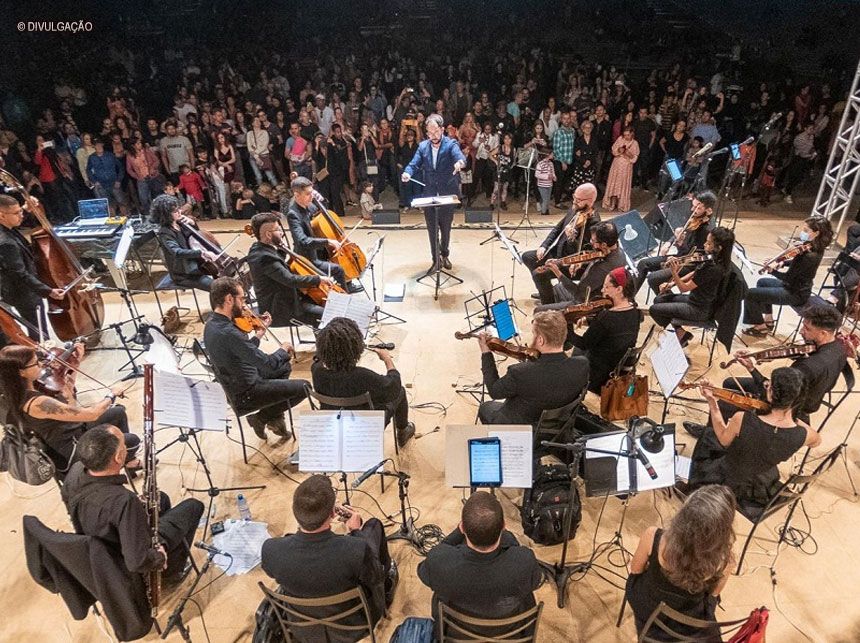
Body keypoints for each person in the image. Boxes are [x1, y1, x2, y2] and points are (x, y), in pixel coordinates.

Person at [60, 425, 204, 585]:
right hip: (126, 561)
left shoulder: (76, 470)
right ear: (119, 457)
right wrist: (159, 556)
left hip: (102, 544)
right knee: (193, 506)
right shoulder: (124, 501)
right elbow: (137, 561)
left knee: (161, 499)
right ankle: (170, 573)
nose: (127, 447)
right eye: (124, 445)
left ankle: (173, 554)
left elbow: (88, 504)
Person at [685, 304, 847, 441]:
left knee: (724, 402)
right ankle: (721, 430)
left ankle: (715, 438)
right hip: (810, 395)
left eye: (807, 328)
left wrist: (752, 368)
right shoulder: (839, 347)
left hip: (790, 407)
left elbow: (773, 393)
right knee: (730, 383)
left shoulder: (807, 368)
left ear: (823, 333)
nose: (801, 332)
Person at [261, 475, 394, 636]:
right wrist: (355, 532)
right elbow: (375, 576)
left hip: (302, 627)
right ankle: (389, 588)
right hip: (354, 626)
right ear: (332, 513)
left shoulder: (271, 550)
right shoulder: (356, 549)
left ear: (296, 512)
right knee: (374, 525)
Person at [0, 344, 139, 475]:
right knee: (131, 440)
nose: (41, 365)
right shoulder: (37, 403)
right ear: (21, 372)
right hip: (70, 448)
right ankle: (113, 469)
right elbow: (92, 415)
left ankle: (128, 463)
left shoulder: (25, 388)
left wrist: (75, 366)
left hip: (74, 429)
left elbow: (71, 405)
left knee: (117, 413)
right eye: (36, 363)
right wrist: (111, 395)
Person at [688, 368, 821, 503]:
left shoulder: (742, 418)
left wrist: (712, 401)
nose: (767, 385)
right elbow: (817, 441)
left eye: (769, 385)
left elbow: (724, 440)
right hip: (760, 486)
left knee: (708, 435)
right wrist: (791, 417)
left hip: (728, 480)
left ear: (772, 394)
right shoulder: (803, 435)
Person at [417, 491, 542, 627]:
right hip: (512, 634)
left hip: (457, 633)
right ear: (503, 527)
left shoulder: (439, 560)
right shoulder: (525, 560)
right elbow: (535, 582)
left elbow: (424, 572)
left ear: (463, 528)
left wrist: (456, 534)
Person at [203, 276, 306, 439]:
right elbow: (268, 364)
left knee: (284, 366)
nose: (244, 305)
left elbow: (242, 351)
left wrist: (258, 335)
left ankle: (274, 418)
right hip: (247, 393)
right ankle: (261, 417)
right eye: (242, 299)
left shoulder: (211, 324)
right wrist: (283, 349)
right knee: (304, 387)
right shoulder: (230, 332)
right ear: (229, 299)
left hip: (236, 382)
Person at [626, 485, 734, 638]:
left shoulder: (653, 536)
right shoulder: (725, 560)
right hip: (689, 623)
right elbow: (713, 595)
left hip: (649, 608)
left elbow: (635, 569)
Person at [311, 316, 415, 447]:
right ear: (356, 347)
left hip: (334, 422)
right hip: (365, 427)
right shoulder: (363, 376)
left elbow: (318, 357)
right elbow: (393, 386)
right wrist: (387, 359)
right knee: (400, 391)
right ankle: (403, 431)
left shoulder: (316, 370)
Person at [473, 310, 589, 425]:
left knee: (485, 407)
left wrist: (486, 353)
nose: (532, 337)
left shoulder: (519, 372)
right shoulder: (582, 364)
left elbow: (494, 391)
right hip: (557, 425)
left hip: (524, 428)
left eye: (533, 333)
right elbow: (551, 374)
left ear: (540, 340)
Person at [743, 216, 832, 336]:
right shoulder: (813, 247)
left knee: (750, 294)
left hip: (795, 293)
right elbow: (797, 263)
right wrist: (783, 262)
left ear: (816, 233)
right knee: (762, 282)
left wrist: (772, 270)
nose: (803, 233)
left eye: (806, 231)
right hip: (793, 286)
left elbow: (787, 277)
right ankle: (768, 319)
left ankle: (760, 327)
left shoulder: (810, 255)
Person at [401, 113, 467, 273]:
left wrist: (459, 163)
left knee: (445, 228)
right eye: (430, 133)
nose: (433, 136)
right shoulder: (423, 146)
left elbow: (461, 158)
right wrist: (407, 172)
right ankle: (435, 260)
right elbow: (414, 164)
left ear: (442, 129)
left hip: (447, 194)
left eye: (436, 132)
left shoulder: (451, 144)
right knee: (432, 229)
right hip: (430, 194)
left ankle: (444, 254)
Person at [649, 227, 735, 347]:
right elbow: (695, 273)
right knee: (659, 299)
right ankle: (681, 333)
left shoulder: (714, 269)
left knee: (654, 310)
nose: (704, 244)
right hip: (694, 300)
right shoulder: (713, 258)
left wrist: (674, 272)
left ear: (719, 248)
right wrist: (671, 284)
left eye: (709, 243)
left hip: (698, 309)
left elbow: (684, 288)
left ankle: (679, 333)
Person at [246, 212, 335, 327]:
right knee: (326, 315)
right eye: (278, 230)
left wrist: (282, 248)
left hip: (288, 298)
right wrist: (318, 279)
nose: (282, 233)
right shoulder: (264, 257)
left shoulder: (261, 248)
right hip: (280, 309)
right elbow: (290, 280)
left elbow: (279, 266)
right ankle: (326, 343)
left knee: (325, 305)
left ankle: (321, 338)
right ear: (268, 234)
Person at [522, 183, 600, 305]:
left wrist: (572, 238)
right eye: (574, 197)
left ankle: (549, 304)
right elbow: (558, 228)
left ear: (590, 201)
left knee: (539, 274)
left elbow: (583, 253)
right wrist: (544, 246)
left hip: (570, 263)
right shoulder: (575, 208)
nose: (574, 201)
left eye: (578, 200)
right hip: (558, 252)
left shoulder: (594, 223)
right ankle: (546, 290)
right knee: (528, 257)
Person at [0, 194, 64, 340]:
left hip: (19, 290)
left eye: (20, 211)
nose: (21, 216)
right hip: (23, 294)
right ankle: (44, 357)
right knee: (38, 330)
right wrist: (48, 291)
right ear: (2, 216)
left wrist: (25, 208)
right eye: (17, 213)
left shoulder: (6, 226)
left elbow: (16, 218)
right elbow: (20, 274)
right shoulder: (6, 243)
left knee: (37, 326)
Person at [568, 267, 642, 393]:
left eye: (607, 287)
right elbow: (617, 326)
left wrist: (566, 327)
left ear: (619, 289)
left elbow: (584, 344)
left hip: (599, 377)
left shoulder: (606, 317)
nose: (602, 290)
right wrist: (589, 321)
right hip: (617, 368)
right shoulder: (636, 313)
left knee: (575, 352)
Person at [635, 191, 716, 295]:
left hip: (688, 264)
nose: (692, 209)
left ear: (708, 210)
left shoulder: (707, 230)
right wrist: (669, 242)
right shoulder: (695, 216)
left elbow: (693, 254)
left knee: (653, 278)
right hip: (679, 257)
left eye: (698, 208)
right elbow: (682, 231)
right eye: (693, 205)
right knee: (643, 264)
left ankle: (666, 303)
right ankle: (629, 298)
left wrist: (680, 243)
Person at [286, 176, 353, 291]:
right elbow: (302, 241)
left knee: (338, 266)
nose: (311, 196)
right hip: (308, 259)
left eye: (312, 193)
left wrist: (321, 201)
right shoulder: (293, 214)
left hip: (317, 252)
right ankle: (343, 298)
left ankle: (343, 291)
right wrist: (327, 241)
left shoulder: (309, 205)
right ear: (297, 195)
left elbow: (322, 215)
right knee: (339, 270)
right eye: (308, 194)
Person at [537, 221, 627, 307]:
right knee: (557, 288)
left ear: (603, 245)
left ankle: (553, 314)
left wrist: (557, 272)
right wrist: (579, 262)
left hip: (586, 302)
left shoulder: (604, 268)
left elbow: (578, 293)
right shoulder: (615, 249)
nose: (591, 242)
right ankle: (551, 308)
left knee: (538, 310)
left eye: (593, 240)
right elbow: (593, 255)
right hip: (588, 289)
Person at [151, 194, 218, 292]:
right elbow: (177, 252)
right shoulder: (165, 233)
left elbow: (194, 236)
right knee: (217, 287)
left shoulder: (180, 223)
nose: (180, 212)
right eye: (175, 211)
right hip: (184, 273)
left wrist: (192, 223)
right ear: (165, 214)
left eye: (178, 208)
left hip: (195, 265)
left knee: (222, 283)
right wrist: (202, 253)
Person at [603, 126, 639, 212]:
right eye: (625, 135)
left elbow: (634, 158)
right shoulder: (620, 139)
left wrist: (628, 153)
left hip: (626, 167)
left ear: (632, 134)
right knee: (614, 184)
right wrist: (619, 150)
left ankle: (621, 205)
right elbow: (613, 150)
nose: (626, 137)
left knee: (623, 185)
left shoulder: (635, 143)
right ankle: (612, 203)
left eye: (628, 135)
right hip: (616, 166)